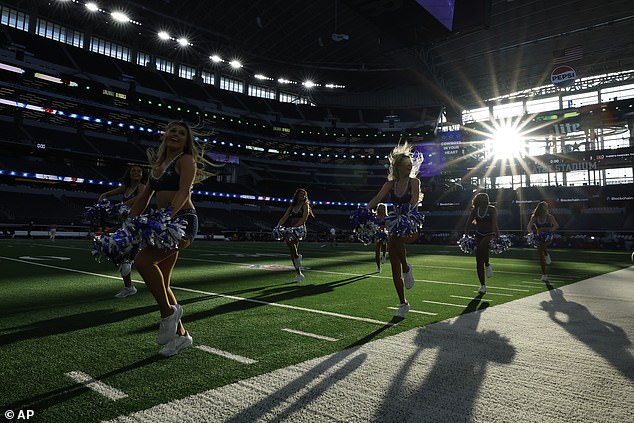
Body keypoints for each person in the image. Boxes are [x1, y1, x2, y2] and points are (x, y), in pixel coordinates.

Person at [129, 121, 217, 357]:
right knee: (163, 284)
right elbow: (144, 198)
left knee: (143, 262)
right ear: (165, 135)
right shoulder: (157, 166)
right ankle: (181, 336)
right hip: (161, 221)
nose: (176, 135)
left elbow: (184, 191)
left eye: (181, 133)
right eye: (172, 131)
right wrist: (128, 222)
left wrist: (168, 217)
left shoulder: (185, 160)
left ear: (186, 141)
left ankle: (168, 314)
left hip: (181, 221)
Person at [367, 143, 423, 318]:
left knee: (393, 241)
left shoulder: (415, 181)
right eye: (406, 165)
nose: (410, 167)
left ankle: (407, 268)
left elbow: (414, 200)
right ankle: (402, 303)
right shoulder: (390, 184)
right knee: (393, 264)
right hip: (394, 225)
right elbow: (376, 199)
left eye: (410, 165)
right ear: (397, 166)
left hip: (410, 223)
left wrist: (406, 216)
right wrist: (364, 210)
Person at [98, 164, 148, 299]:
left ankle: (132, 287)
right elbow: (109, 193)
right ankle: (129, 287)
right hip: (125, 226)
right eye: (133, 170)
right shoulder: (126, 187)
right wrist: (103, 196)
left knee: (127, 262)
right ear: (129, 173)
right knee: (122, 260)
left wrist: (122, 205)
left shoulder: (142, 187)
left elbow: (139, 198)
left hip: (136, 228)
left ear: (143, 175)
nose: (136, 172)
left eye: (139, 171)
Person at [464, 192, 500, 295]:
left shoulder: (492, 209)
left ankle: (487, 264)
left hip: (490, 234)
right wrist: (466, 234)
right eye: (481, 197)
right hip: (479, 234)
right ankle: (482, 285)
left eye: (486, 197)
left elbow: (494, 223)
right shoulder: (475, 210)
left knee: (482, 247)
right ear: (478, 200)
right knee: (479, 261)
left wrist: (496, 235)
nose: (484, 198)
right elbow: (468, 222)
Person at [277, 188, 314, 282]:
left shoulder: (305, 205)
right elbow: (284, 217)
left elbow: (304, 219)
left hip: (300, 229)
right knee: (292, 251)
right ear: (297, 195)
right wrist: (278, 226)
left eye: (304, 194)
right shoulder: (292, 206)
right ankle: (299, 273)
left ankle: (297, 257)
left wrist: (294, 228)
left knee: (290, 243)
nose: (303, 196)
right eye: (301, 194)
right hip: (292, 229)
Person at [526, 201, 559, 282]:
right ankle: (544, 274)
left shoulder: (549, 217)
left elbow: (556, 225)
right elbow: (529, 227)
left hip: (548, 237)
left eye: (546, 207)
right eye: (543, 207)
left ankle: (546, 254)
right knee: (541, 256)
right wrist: (532, 234)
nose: (545, 209)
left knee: (542, 245)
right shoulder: (535, 217)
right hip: (538, 237)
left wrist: (549, 231)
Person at [374, 203, 388, 273]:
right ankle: (378, 267)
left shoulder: (386, 217)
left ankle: (384, 255)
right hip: (377, 234)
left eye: (383, 208)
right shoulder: (375, 217)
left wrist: (384, 230)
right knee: (377, 251)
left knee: (384, 243)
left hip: (384, 233)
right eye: (380, 208)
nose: (382, 209)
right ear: (378, 209)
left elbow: (387, 226)